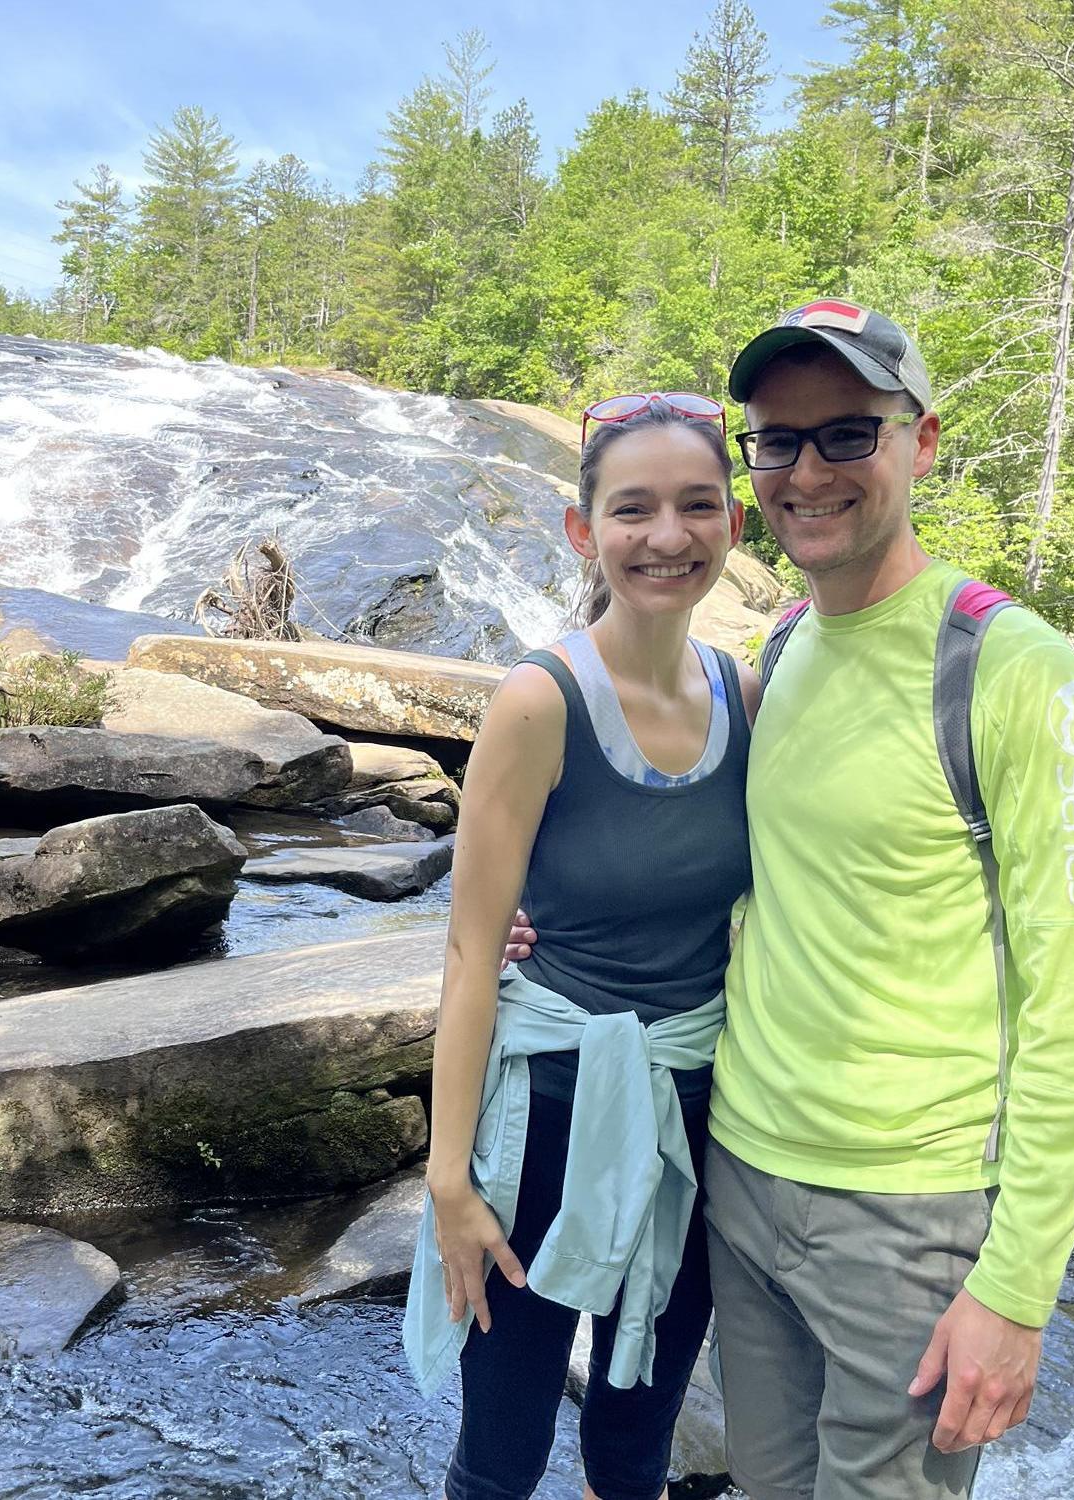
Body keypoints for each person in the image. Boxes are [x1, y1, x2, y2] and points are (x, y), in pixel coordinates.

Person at [510, 301, 1074, 1499]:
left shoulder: (1011, 670)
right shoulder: (775, 657)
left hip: (912, 1210)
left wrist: (1018, 1287)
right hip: (738, 1177)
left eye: (849, 433)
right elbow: (710, 869)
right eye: (778, 442)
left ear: (922, 442)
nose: (808, 471)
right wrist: (532, 931)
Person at [404, 392, 762, 1500]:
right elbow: (472, 956)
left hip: (698, 1119)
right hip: (546, 1121)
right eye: (634, 509)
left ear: (732, 528)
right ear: (583, 530)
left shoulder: (745, 695)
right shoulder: (537, 702)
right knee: (503, 1453)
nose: (668, 536)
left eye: (697, 506)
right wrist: (449, 1182)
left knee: (633, 1438)